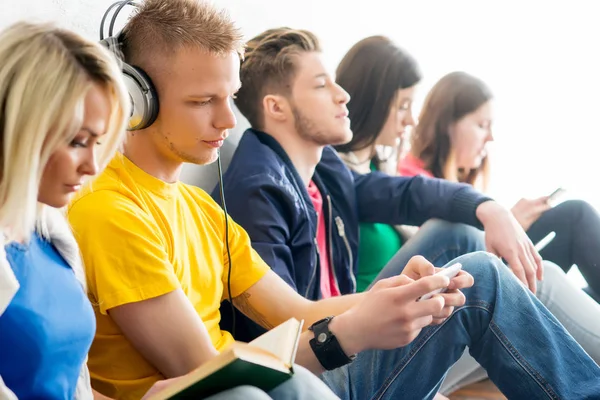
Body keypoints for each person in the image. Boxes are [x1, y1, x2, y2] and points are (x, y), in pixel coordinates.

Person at [200, 25, 599, 398]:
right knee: (485, 276)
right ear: (277, 108)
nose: (343, 95)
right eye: (322, 86)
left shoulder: (326, 174)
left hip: (345, 338)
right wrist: (373, 310)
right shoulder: (254, 190)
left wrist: (489, 207)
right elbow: (282, 333)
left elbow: (408, 193)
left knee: (456, 233)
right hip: (322, 365)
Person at [331, 37, 600, 393]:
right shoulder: (354, 179)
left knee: (566, 225)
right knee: (529, 268)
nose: (411, 119)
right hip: (392, 327)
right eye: (402, 106)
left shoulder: (373, 175)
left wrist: (493, 212)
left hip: (416, 310)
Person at [0, 20, 183, 400]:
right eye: (78, 142)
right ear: (22, 127)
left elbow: (70, 385)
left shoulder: (51, 230)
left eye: (99, 144)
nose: (92, 166)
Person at [399, 71, 600, 304]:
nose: (491, 138)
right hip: (465, 292)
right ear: (447, 125)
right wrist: (505, 224)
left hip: (476, 276)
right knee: (574, 215)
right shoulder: (414, 184)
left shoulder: (452, 183)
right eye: (482, 125)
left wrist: (511, 224)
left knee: (590, 293)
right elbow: (448, 253)